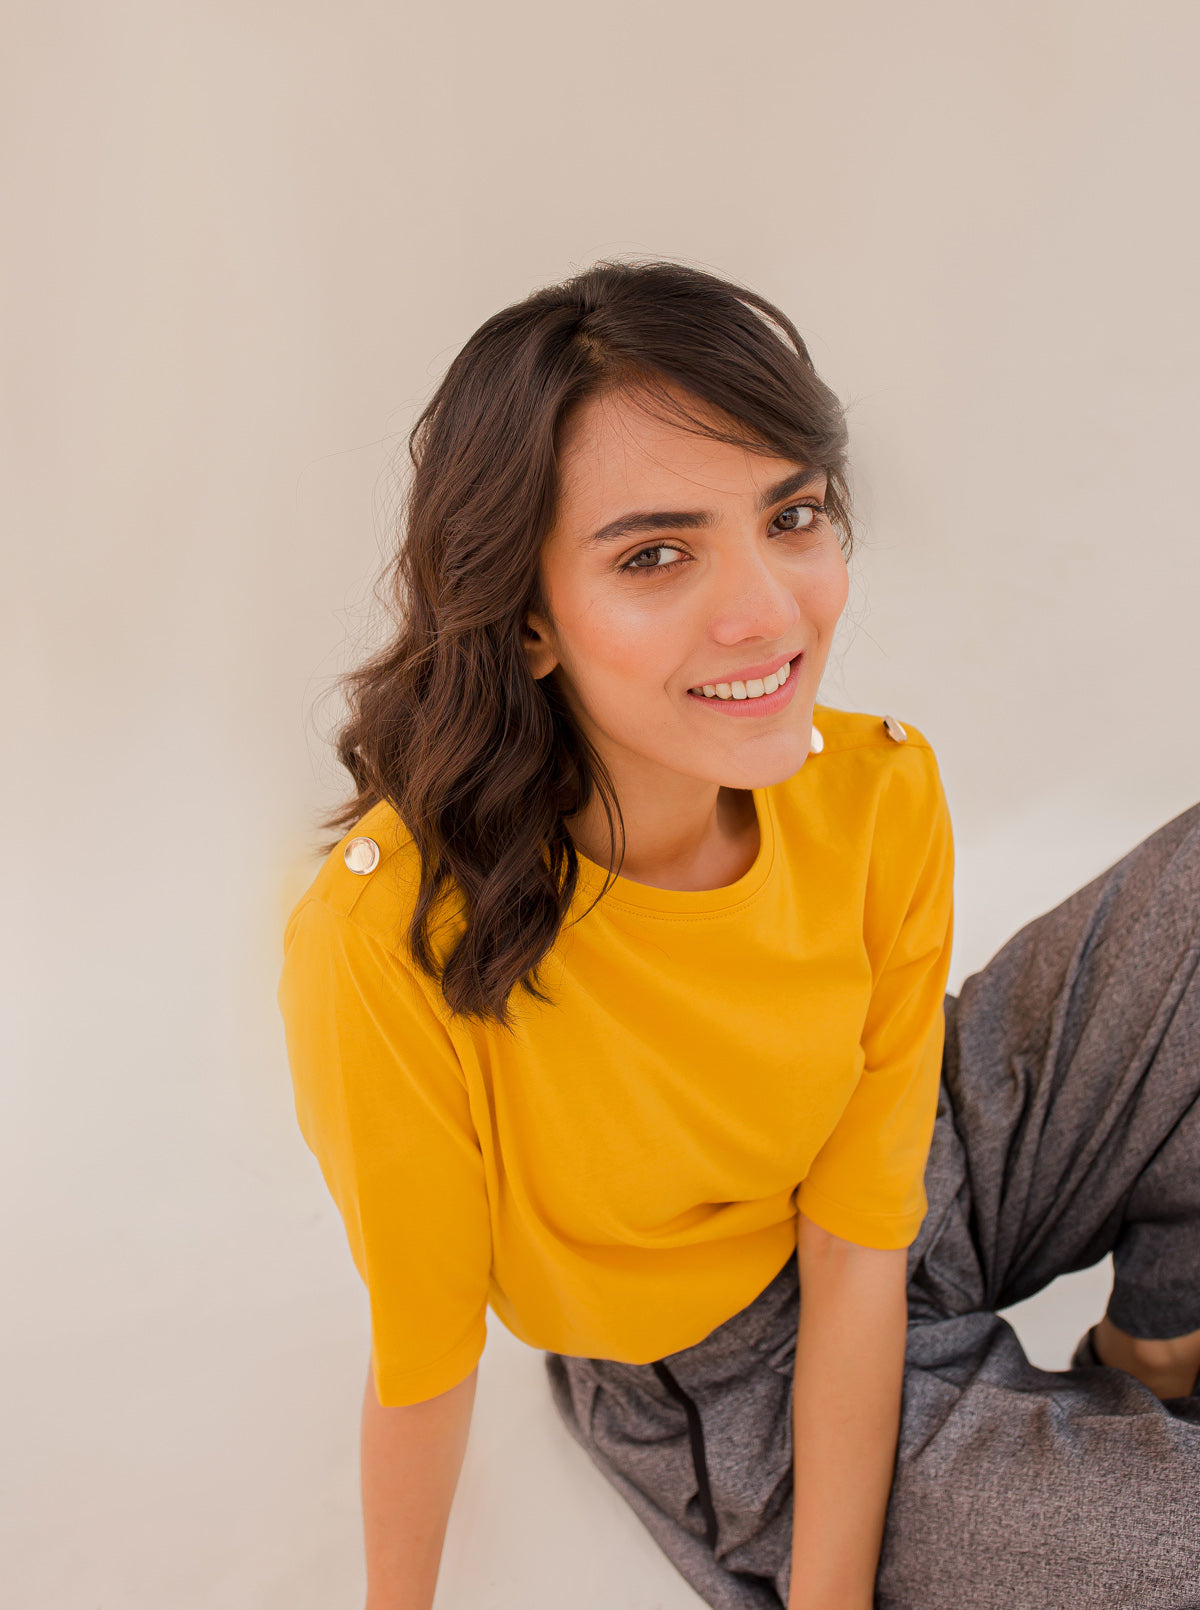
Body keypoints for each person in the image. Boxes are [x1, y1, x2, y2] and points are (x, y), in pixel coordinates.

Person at [276, 259, 1200, 1610]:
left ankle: (1157, 1343)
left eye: (792, 514)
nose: (767, 607)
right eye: (656, 552)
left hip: (894, 1187)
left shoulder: (878, 792)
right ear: (527, 616)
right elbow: (422, 1363)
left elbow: (861, 1229)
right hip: (721, 1386)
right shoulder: (389, 931)